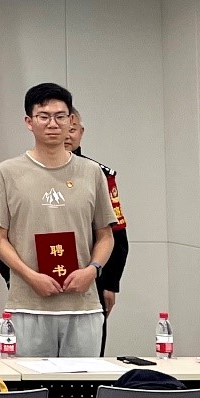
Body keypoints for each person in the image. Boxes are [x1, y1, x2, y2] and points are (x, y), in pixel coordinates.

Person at [0, 83, 115, 357]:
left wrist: (92, 270)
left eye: (60, 116)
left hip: (83, 306)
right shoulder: (7, 172)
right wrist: (31, 276)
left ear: (71, 121)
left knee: (82, 383)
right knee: (27, 382)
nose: (53, 124)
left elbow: (106, 235)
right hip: (27, 306)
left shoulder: (92, 172)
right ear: (29, 122)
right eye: (43, 116)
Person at [66, 108, 129, 355]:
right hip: (40, 282)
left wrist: (110, 283)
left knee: (89, 359)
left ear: (82, 132)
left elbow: (117, 235)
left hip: (92, 278)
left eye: (73, 129)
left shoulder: (99, 175)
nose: (67, 135)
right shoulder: (22, 173)